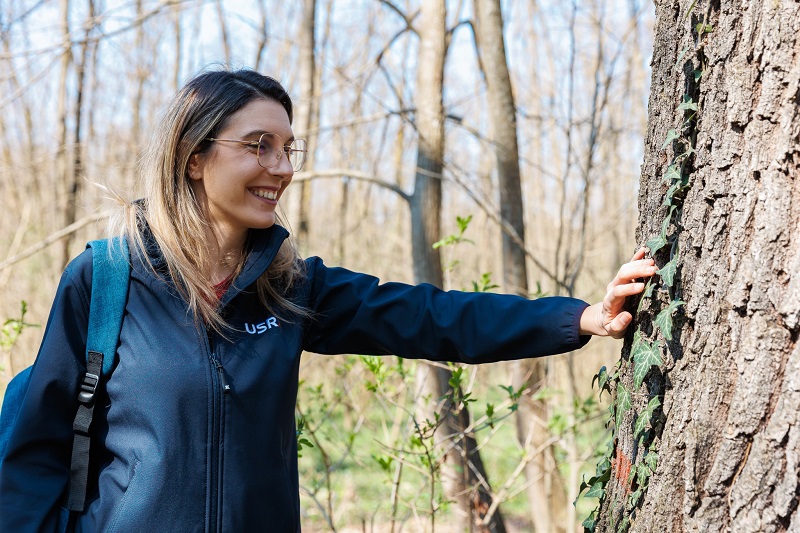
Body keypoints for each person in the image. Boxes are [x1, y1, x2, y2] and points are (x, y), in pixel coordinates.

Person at [0, 68, 656, 532]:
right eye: (258, 145)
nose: (282, 166)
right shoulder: (105, 278)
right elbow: (36, 447)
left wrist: (577, 318)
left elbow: (432, 318)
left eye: (289, 147)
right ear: (194, 158)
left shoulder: (289, 288)